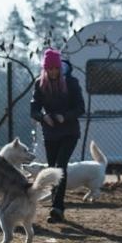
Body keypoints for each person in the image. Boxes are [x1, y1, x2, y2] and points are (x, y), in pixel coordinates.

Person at [30, 47, 85, 223]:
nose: (53, 72)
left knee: (61, 166)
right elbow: (33, 109)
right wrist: (43, 117)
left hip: (69, 132)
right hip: (50, 133)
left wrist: (65, 116)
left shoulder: (71, 83)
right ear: (45, 69)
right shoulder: (40, 84)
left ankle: (57, 208)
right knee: (52, 168)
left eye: (55, 68)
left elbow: (80, 108)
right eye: (49, 69)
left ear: (60, 68)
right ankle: (55, 205)